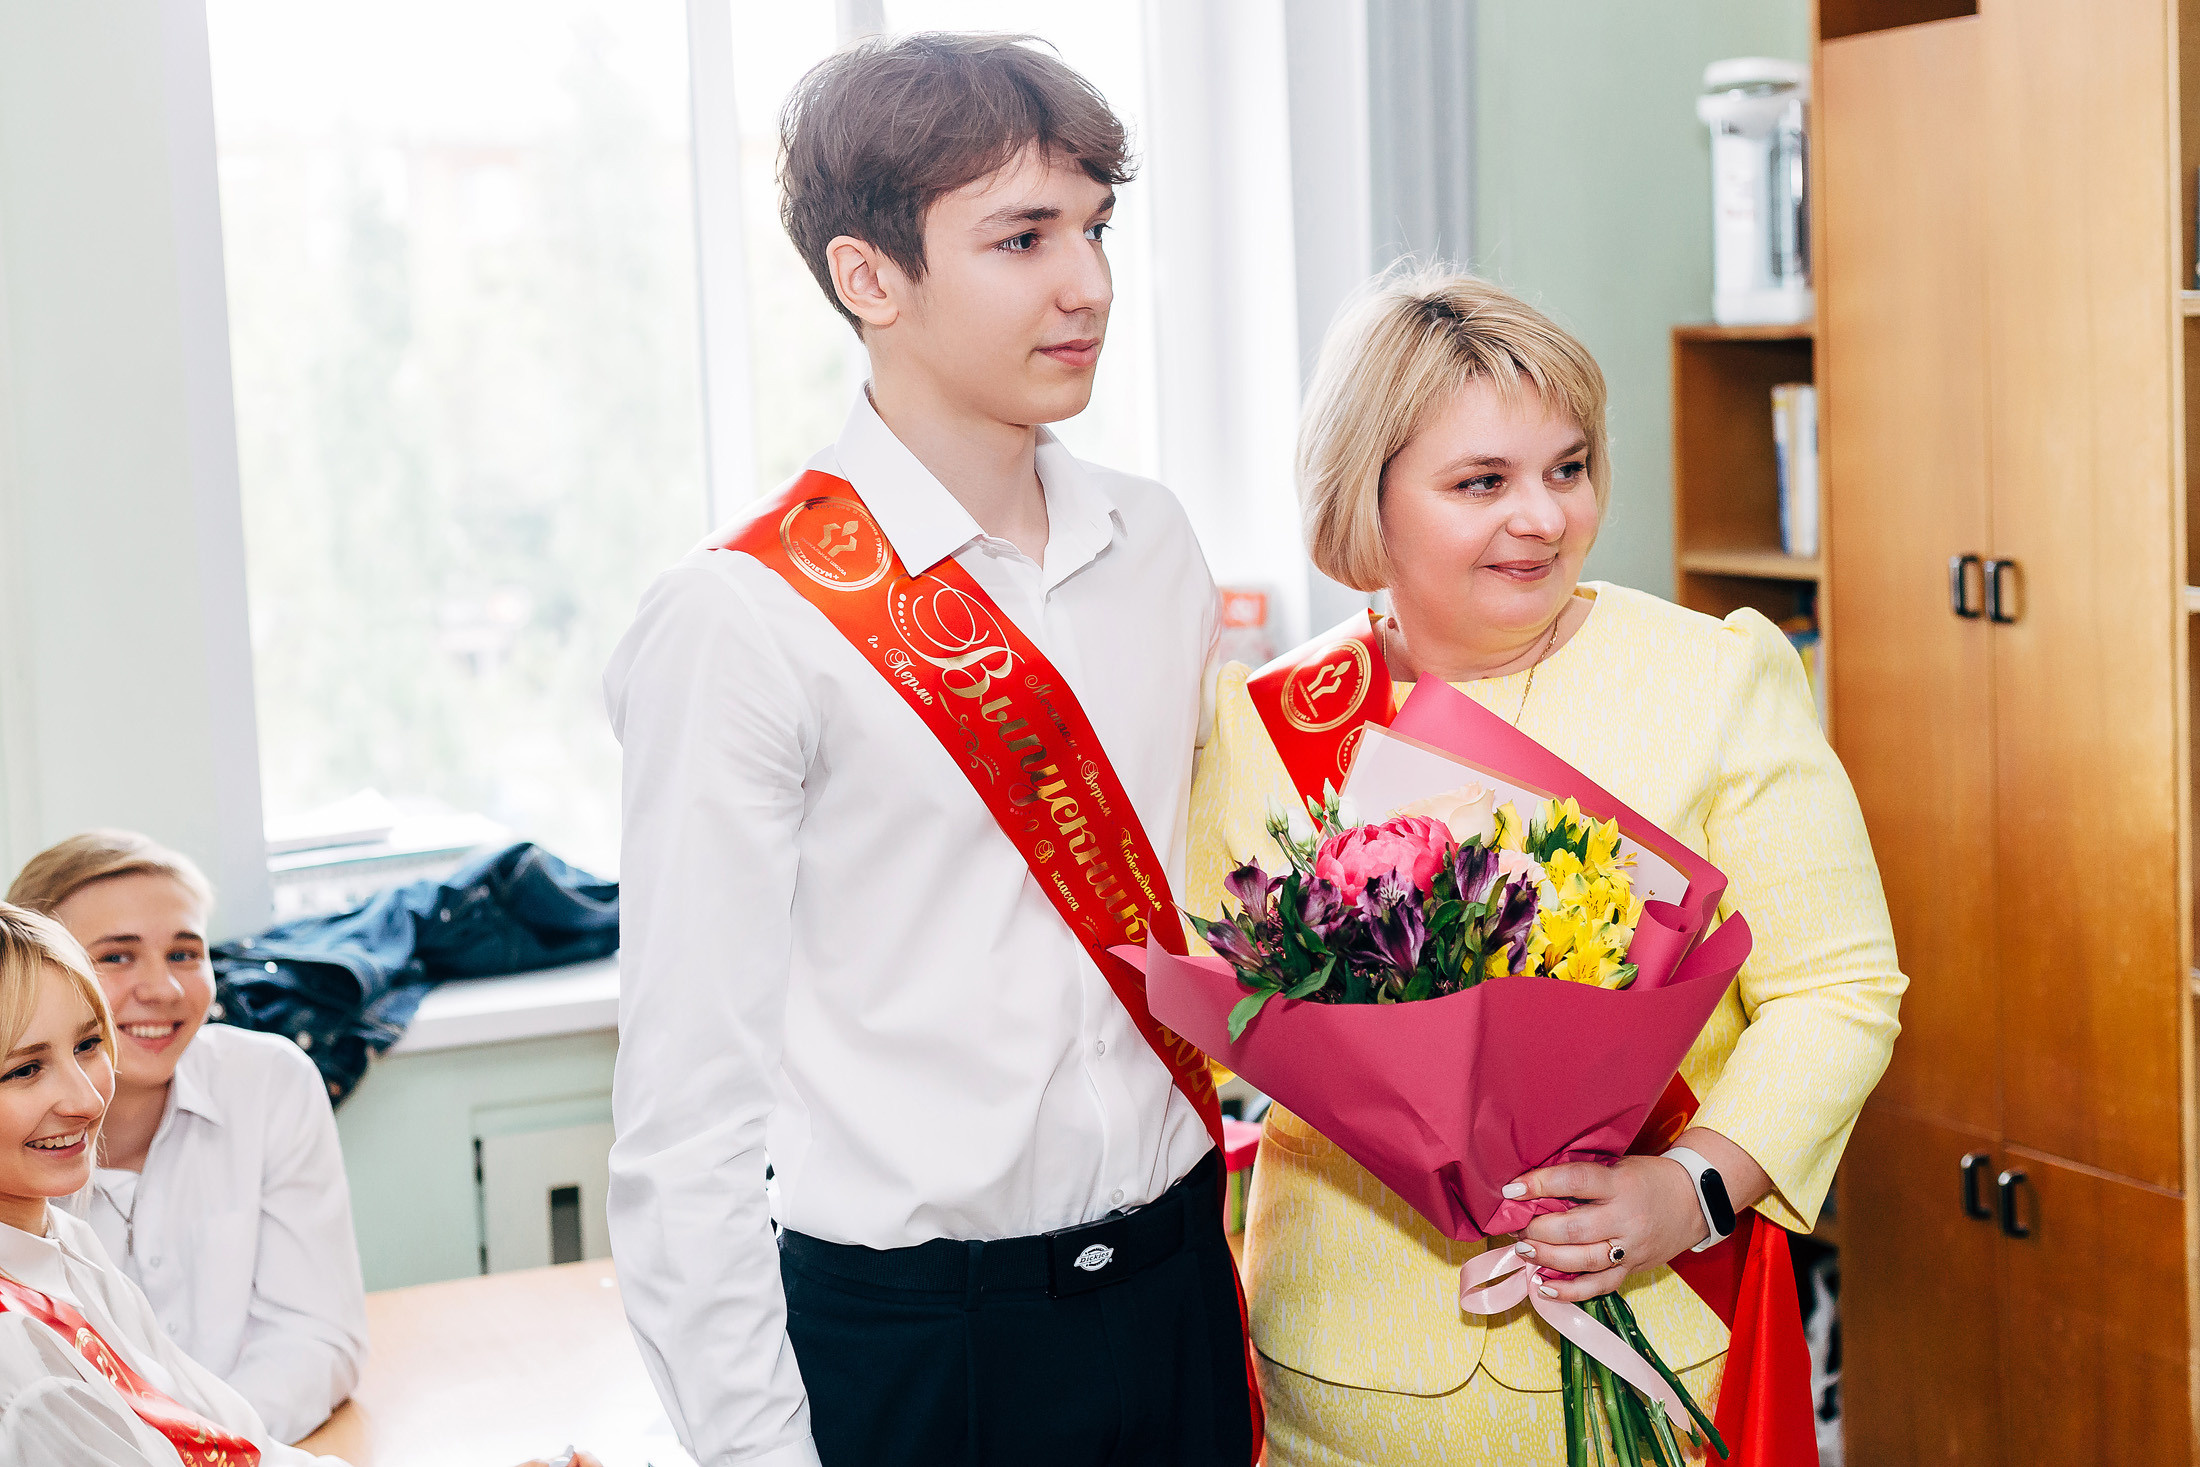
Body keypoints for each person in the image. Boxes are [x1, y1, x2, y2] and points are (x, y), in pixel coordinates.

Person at [604, 31, 1254, 1467]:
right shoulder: (743, 619)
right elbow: (683, 1125)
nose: (1085, 282)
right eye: (1021, 236)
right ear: (870, 277)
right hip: (921, 1333)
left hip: (1176, 1280)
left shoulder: (1155, 545)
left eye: (1093, 227)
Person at [1184, 270, 1905, 1463]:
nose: (1544, 517)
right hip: (1344, 1368)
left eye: (1567, 469)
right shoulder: (1264, 726)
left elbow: (1840, 990)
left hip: (1655, 1346)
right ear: (1368, 497)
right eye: (1482, 483)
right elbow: (1217, 1008)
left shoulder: (1713, 678)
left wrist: (1692, 1190)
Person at [7, 831, 369, 1444]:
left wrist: (208, 1444)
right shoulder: (33, 1175)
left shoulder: (269, 1080)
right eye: (117, 957)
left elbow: (319, 1335)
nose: (165, 990)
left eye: (184, 953)